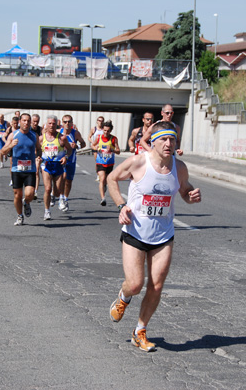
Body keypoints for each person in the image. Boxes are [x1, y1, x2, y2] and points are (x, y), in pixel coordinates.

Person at [107, 121, 201, 352]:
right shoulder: (138, 163)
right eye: (164, 139)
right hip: (135, 232)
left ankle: (140, 330)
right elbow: (111, 178)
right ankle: (124, 296)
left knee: (157, 285)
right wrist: (121, 206)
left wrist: (192, 196)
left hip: (163, 235)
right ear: (154, 142)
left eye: (173, 140)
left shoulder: (179, 168)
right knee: (136, 284)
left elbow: (185, 191)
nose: (169, 144)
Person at [0, 113, 42, 226]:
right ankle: (19, 216)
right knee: (17, 195)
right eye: (24, 120)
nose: (26, 123)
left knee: (30, 194)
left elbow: (39, 149)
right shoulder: (13, 135)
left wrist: (38, 155)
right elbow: (2, 151)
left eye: (28, 121)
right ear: (20, 122)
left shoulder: (34, 136)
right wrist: (10, 146)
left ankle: (26, 202)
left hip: (30, 169)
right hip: (16, 169)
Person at [40, 115, 73, 220]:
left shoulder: (62, 138)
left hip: (58, 165)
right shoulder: (42, 138)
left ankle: (54, 195)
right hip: (46, 165)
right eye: (49, 123)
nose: (51, 125)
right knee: (47, 188)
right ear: (46, 124)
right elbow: (36, 150)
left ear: (56, 125)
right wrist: (37, 157)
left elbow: (69, 149)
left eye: (54, 124)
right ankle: (47, 211)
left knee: (58, 191)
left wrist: (66, 157)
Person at [58, 115, 86, 212]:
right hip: (61, 159)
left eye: (69, 122)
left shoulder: (75, 133)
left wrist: (77, 145)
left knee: (68, 181)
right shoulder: (59, 133)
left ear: (72, 123)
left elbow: (84, 144)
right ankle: (61, 198)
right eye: (65, 122)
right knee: (63, 177)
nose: (67, 124)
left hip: (71, 160)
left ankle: (65, 198)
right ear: (62, 123)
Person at [92, 120, 120, 206]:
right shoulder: (99, 138)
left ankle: (104, 187)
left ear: (110, 131)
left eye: (108, 131)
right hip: (100, 162)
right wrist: (96, 148)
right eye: (104, 130)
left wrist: (112, 150)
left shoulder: (113, 139)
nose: (106, 132)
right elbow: (93, 145)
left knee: (106, 181)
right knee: (102, 178)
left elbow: (118, 151)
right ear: (102, 130)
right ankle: (103, 198)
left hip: (109, 163)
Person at [89, 116, 105, 181]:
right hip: (96, 147)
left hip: (102, 148)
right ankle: (98, 175)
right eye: (99, 120)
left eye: (101, 121)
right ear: (97, 121)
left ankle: (103, 174)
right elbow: (89, 137)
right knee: (97, 161)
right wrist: (93, 142)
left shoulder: (104, 129)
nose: (100, 122)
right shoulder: (94, 129)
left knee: (103, 161)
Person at [31, 114, 43, 199]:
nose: (35, 123)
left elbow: (44, 140)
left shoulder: (40, 130)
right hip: (28, 154)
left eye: (37, 121)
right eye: (34, 121)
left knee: (36, 171)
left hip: (37, 153)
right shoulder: (28, 129)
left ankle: (35, 191)